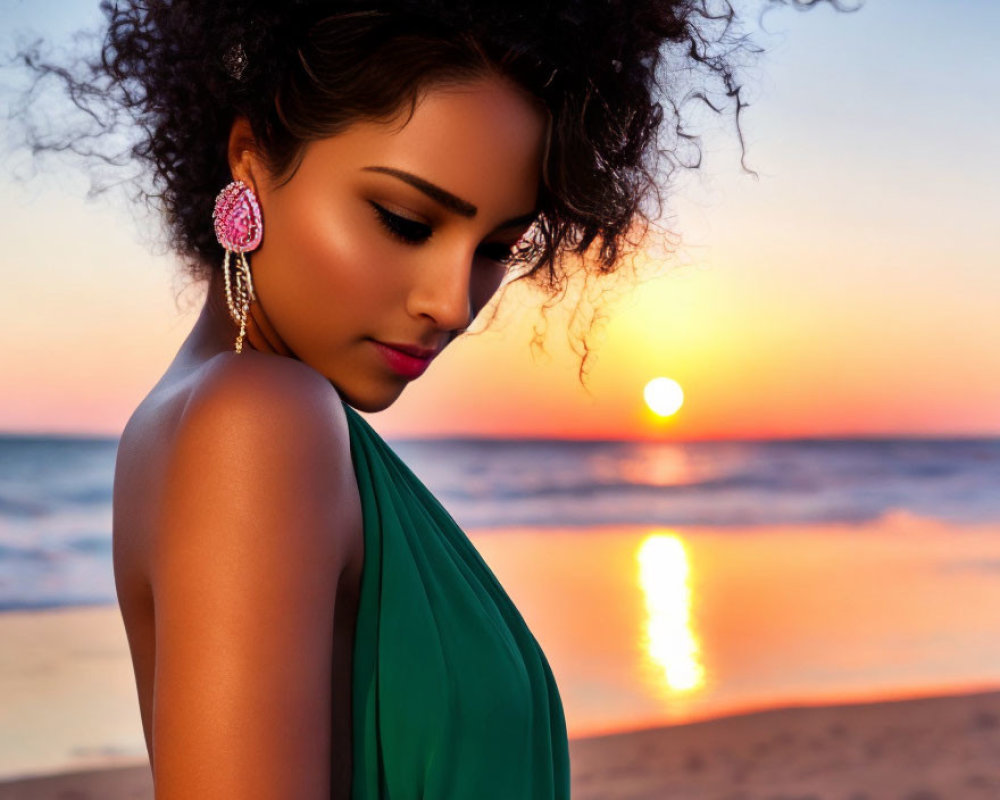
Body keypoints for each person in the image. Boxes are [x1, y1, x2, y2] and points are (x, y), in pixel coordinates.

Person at [13, 0, 843, 796]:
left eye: (497, 247)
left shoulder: (215, 415)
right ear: (249, 159)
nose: (453, 303)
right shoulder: (257, 421)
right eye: (406, 220)